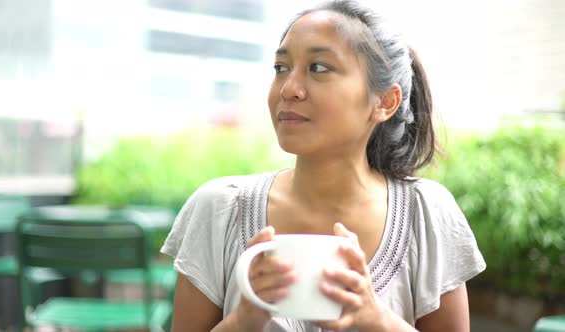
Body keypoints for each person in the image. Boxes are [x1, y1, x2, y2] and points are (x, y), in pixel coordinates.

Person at [161, 0, 486, 331]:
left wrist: (375, 318)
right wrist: (246, 317)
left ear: (384, 102)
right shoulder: (220, 209)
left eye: (318, 68)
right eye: (281, 68)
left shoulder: (426, 214)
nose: (289, 89)